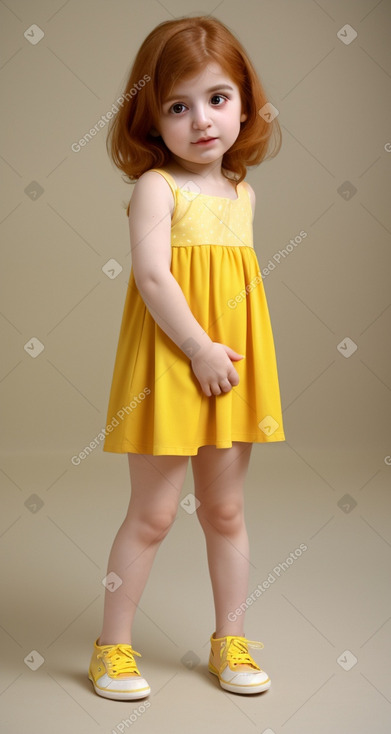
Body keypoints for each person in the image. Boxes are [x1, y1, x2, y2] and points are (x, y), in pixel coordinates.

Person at [88, 15, 285, 701]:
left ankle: (229, 641)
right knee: (154, 515)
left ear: (244, 102)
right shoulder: (156, 189)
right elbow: (152, 278)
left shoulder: (242, 192)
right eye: (177, 106)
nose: (201, 121)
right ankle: (111, 648)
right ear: (150, 119)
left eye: (216, 98)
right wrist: (197, 348)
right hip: (174, 363)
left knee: (225, 511)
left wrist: (220, 355)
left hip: (228, 365)